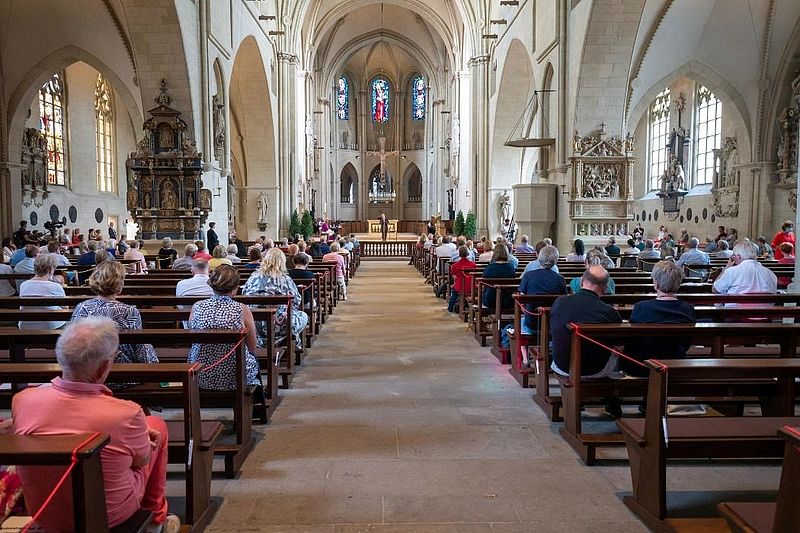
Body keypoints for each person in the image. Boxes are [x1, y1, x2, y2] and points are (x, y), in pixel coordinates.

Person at [12, 317, 179, 532]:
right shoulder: (127, 413)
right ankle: (155, 519)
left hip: (45, 514)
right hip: (110, 515)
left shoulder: (23, 400)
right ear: (104, 368)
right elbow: (142, 460)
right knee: (157, 425)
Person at [71, 261, 159, 365]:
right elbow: (139, 346)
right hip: (123, 370)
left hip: (88, 369)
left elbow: (72, 343)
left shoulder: (81, 307)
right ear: (119, 284)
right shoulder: (130, 311)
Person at [188, 265, 260, 390]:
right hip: (235, 376)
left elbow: (193, 338)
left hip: (200, 373)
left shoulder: (197, 307)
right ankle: (258, 402)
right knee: (253, 358)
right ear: (234, 288)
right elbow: (252, 346)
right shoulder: (241, 309)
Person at [621, 261, 696, 377]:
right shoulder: (688, 309)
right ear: (678, 283)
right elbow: (686, 343)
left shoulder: (641, 307)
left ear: (656, 284)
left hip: (643, 365)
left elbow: (633, 341)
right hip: (676, 363)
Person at [550, 265, 622, 377]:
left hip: (562, 365)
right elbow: (619, 346)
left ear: (582, 281)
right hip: (595, 369)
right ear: (605, 288)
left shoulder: (560, 302)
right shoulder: (610, 312)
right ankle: (615, 388)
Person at [502, 245, 567, 354]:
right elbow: (563, 303)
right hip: (552, 324)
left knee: (515, 325)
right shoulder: (560, 279)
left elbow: (521, 303)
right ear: (555, 260)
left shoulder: (528, 275)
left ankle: (524, 357)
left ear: (539, 258)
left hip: (531, 323)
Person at [242, 248, 309, 349]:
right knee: (303, 316)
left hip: (253, 324)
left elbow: (244, 294)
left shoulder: (253, 277)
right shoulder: (284, 279)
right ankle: (286, 340)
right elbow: (296, 301)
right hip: (278, 324)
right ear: (282, 262)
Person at [18, 254, 67, 330]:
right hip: (51, 326)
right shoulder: (55, 286)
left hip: (25, 325)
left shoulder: (23, 285)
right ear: (50, 269)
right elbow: (65, 308)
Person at [713, 241, 777, 296]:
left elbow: (715, 290)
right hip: (766, 310)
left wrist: (726, 268)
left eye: (734, 256)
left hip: (736, 309)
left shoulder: (731, 271)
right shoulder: (770, 273)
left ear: (738, 257)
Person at [481, 244, 516, 309]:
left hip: (491, 300)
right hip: (508, 300)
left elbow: (484, 284)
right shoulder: (511, 267)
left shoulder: (489, 268)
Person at [448, 245, 477, 313]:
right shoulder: (473, 265)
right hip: (471, 286)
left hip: (460, 286)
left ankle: (450, 307)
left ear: (459, 254)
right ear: (468, 253)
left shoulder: (455, 265)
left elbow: (454, 277)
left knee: (454, 292)